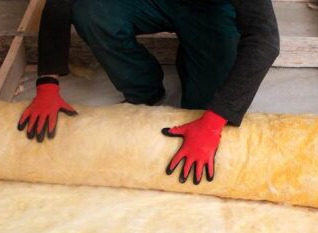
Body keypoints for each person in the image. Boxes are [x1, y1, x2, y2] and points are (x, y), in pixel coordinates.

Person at [17, 0, 279, 185]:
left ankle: (193, 51)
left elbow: (264, 39)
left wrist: (214, 120)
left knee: (202, 107)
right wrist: (47, 83)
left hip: (212, 10)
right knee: (92, 12)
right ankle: (144, 89)